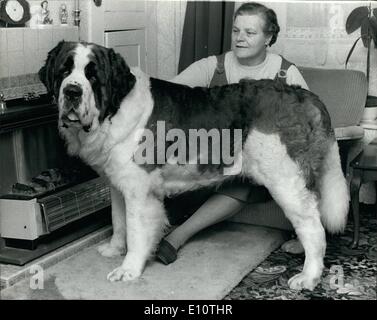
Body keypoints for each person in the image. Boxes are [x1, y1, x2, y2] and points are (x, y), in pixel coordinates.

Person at [156, 2, 308, 265]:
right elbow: (169, 95)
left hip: (260, 163)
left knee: (244, 176)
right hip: (215, 154)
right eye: (236, 30)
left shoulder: (285, 73)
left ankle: (177, 237)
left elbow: (304, 123)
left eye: (250, 32)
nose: (240, 38)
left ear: (268, 37)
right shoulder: (213, 66)